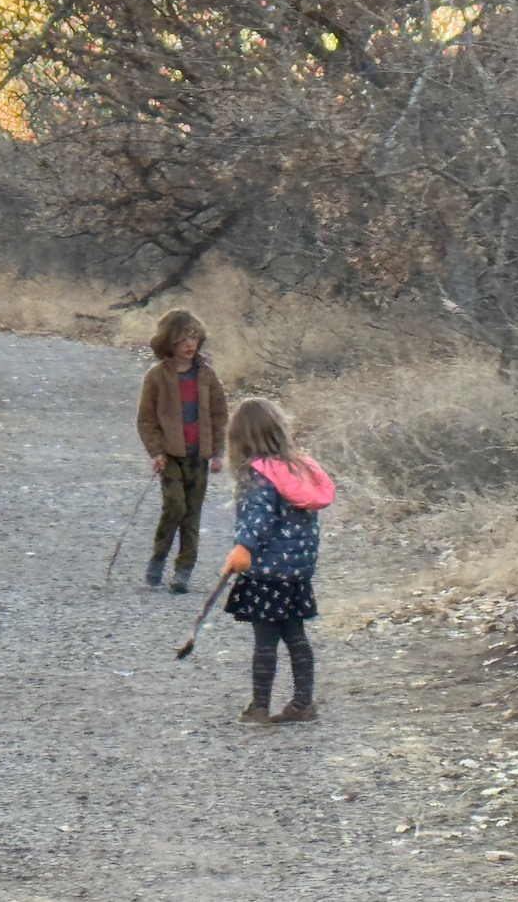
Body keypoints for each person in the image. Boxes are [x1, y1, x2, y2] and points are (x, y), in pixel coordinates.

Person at [221, 398, 335, 725]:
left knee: (265, 640)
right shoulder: (297, 468)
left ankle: (259, 706)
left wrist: (242, 549)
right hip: (296, 571)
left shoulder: (258, 475)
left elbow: (257, 521)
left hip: (267, 572)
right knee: (295, 634)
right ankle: (302, 703)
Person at [136, 308, 229, 593]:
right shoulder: (156, 376)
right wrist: (156, 452)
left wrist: (217, 452)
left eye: (194, 338)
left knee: (192, 515)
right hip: (171, 456)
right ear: (168, 342)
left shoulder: (206, 375)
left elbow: (219, 414)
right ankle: (159, 558)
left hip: (198, 456)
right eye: (182, 339)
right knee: (175, 506)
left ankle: (183, 571)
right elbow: (146, 419)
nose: (189, 345)